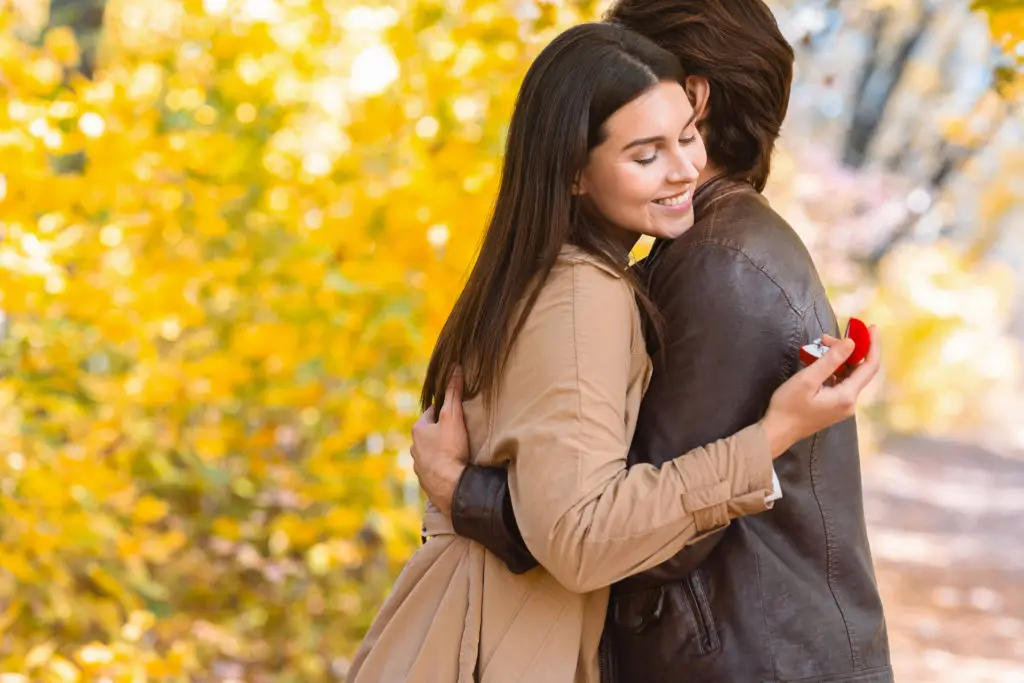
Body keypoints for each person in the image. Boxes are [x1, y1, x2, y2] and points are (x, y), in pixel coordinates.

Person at [349, 21, 880, 683]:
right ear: (575, 167)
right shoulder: (586, 292)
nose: (682, 166)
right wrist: (776, 432)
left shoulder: (584, 272)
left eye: (684, 137)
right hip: (495, 641)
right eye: (646, 151)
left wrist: (465, 493)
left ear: (698, 100)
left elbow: (572, 514)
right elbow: (586, 534)